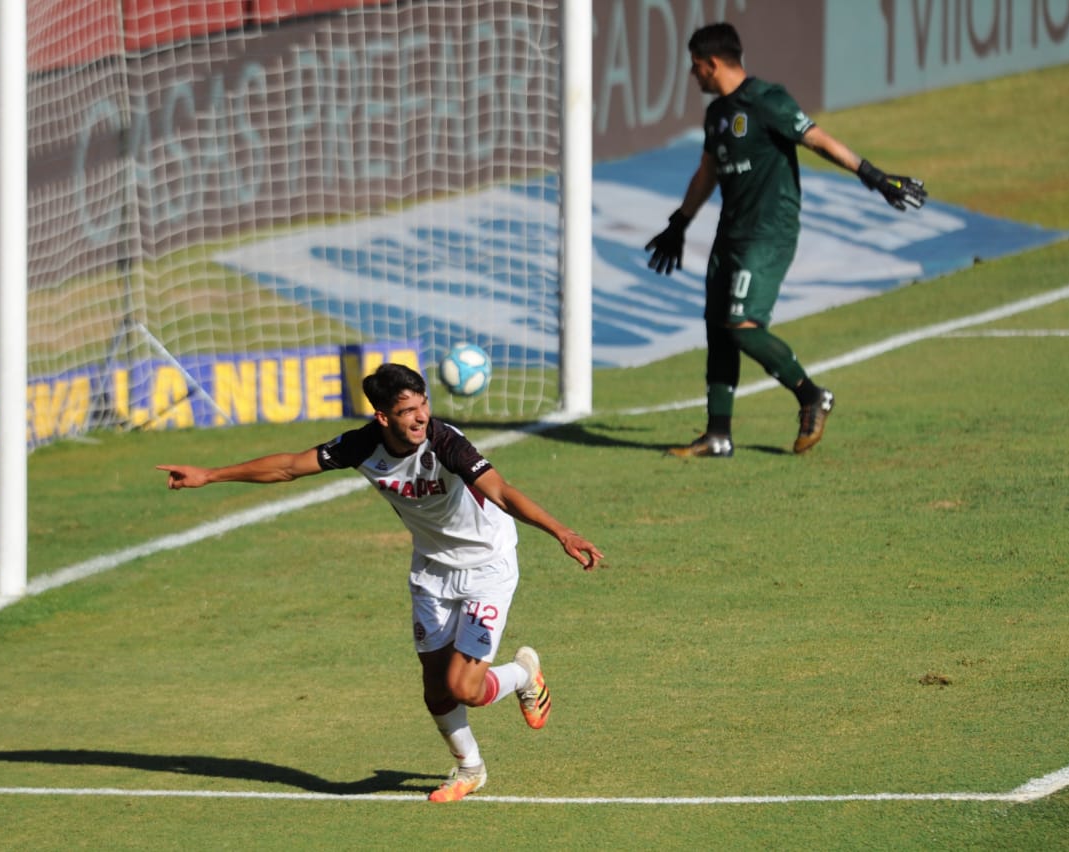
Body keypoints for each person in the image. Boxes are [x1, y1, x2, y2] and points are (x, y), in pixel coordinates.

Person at [156, 362, 603, 802]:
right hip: (431, 570)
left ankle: (524, 674)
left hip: (488, 565)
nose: (421, 417)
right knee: (435, 689)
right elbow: (289, 466)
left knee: (464, 688)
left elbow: (501, 491)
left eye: (423, 405)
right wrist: (209, 475)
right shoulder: (362, 445)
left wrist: (561, 532)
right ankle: (471, 769)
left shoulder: (446, 443)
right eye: (408, 411)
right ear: (383, 417)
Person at [646, 22, 926, 457]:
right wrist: (679, 223)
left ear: (712, 63)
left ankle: (811, 396)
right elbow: (707, 173)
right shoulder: (717, 115)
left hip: (768, 233)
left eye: (695, 65)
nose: (692, 74)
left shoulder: (766, 99)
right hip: (729, 234)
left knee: (741, 325)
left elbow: (817, 139)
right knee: (718, 328)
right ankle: (717, 435)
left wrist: (874, 176)